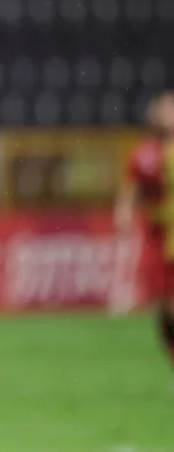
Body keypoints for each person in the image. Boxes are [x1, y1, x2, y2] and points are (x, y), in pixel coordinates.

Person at [115, 91, 174, 375]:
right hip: (160, 239)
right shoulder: (146, 154)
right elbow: (132, 188)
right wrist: (124, 213)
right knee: (163, 308)